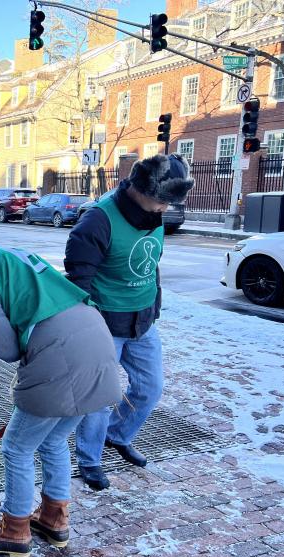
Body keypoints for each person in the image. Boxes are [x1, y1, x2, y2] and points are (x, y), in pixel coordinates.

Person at [0, 237, 121, 557]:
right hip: (97, 341)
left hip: (61, 355)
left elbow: (6, 348)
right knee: (54, 440)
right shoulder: (12, 255)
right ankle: (53, 519)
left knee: (17, 445)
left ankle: (14, 530)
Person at [64, 153, 195, 491]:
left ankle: (117, 435)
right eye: (162, 201)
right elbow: (79, 277)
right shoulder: (99, 219)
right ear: (140, 188)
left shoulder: (153, 214)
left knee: (150, 389)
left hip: (142, 322)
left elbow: (151, 263)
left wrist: (155, 304)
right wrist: (86, 324)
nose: (165, 209)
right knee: (100, 397)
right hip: (105, 323)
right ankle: (89, 460)